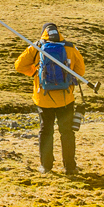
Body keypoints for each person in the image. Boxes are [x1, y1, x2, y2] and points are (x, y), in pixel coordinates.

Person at [15, 23, 86, 174]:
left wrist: (35, 73)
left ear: (43, 34)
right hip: (66, 97)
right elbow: (81, 71)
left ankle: (45, 166)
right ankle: (70, 167)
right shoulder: (70, 48)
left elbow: (19, 65)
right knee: (66, 132)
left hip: (43, 98)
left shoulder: (38, 47)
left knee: (46, 131)